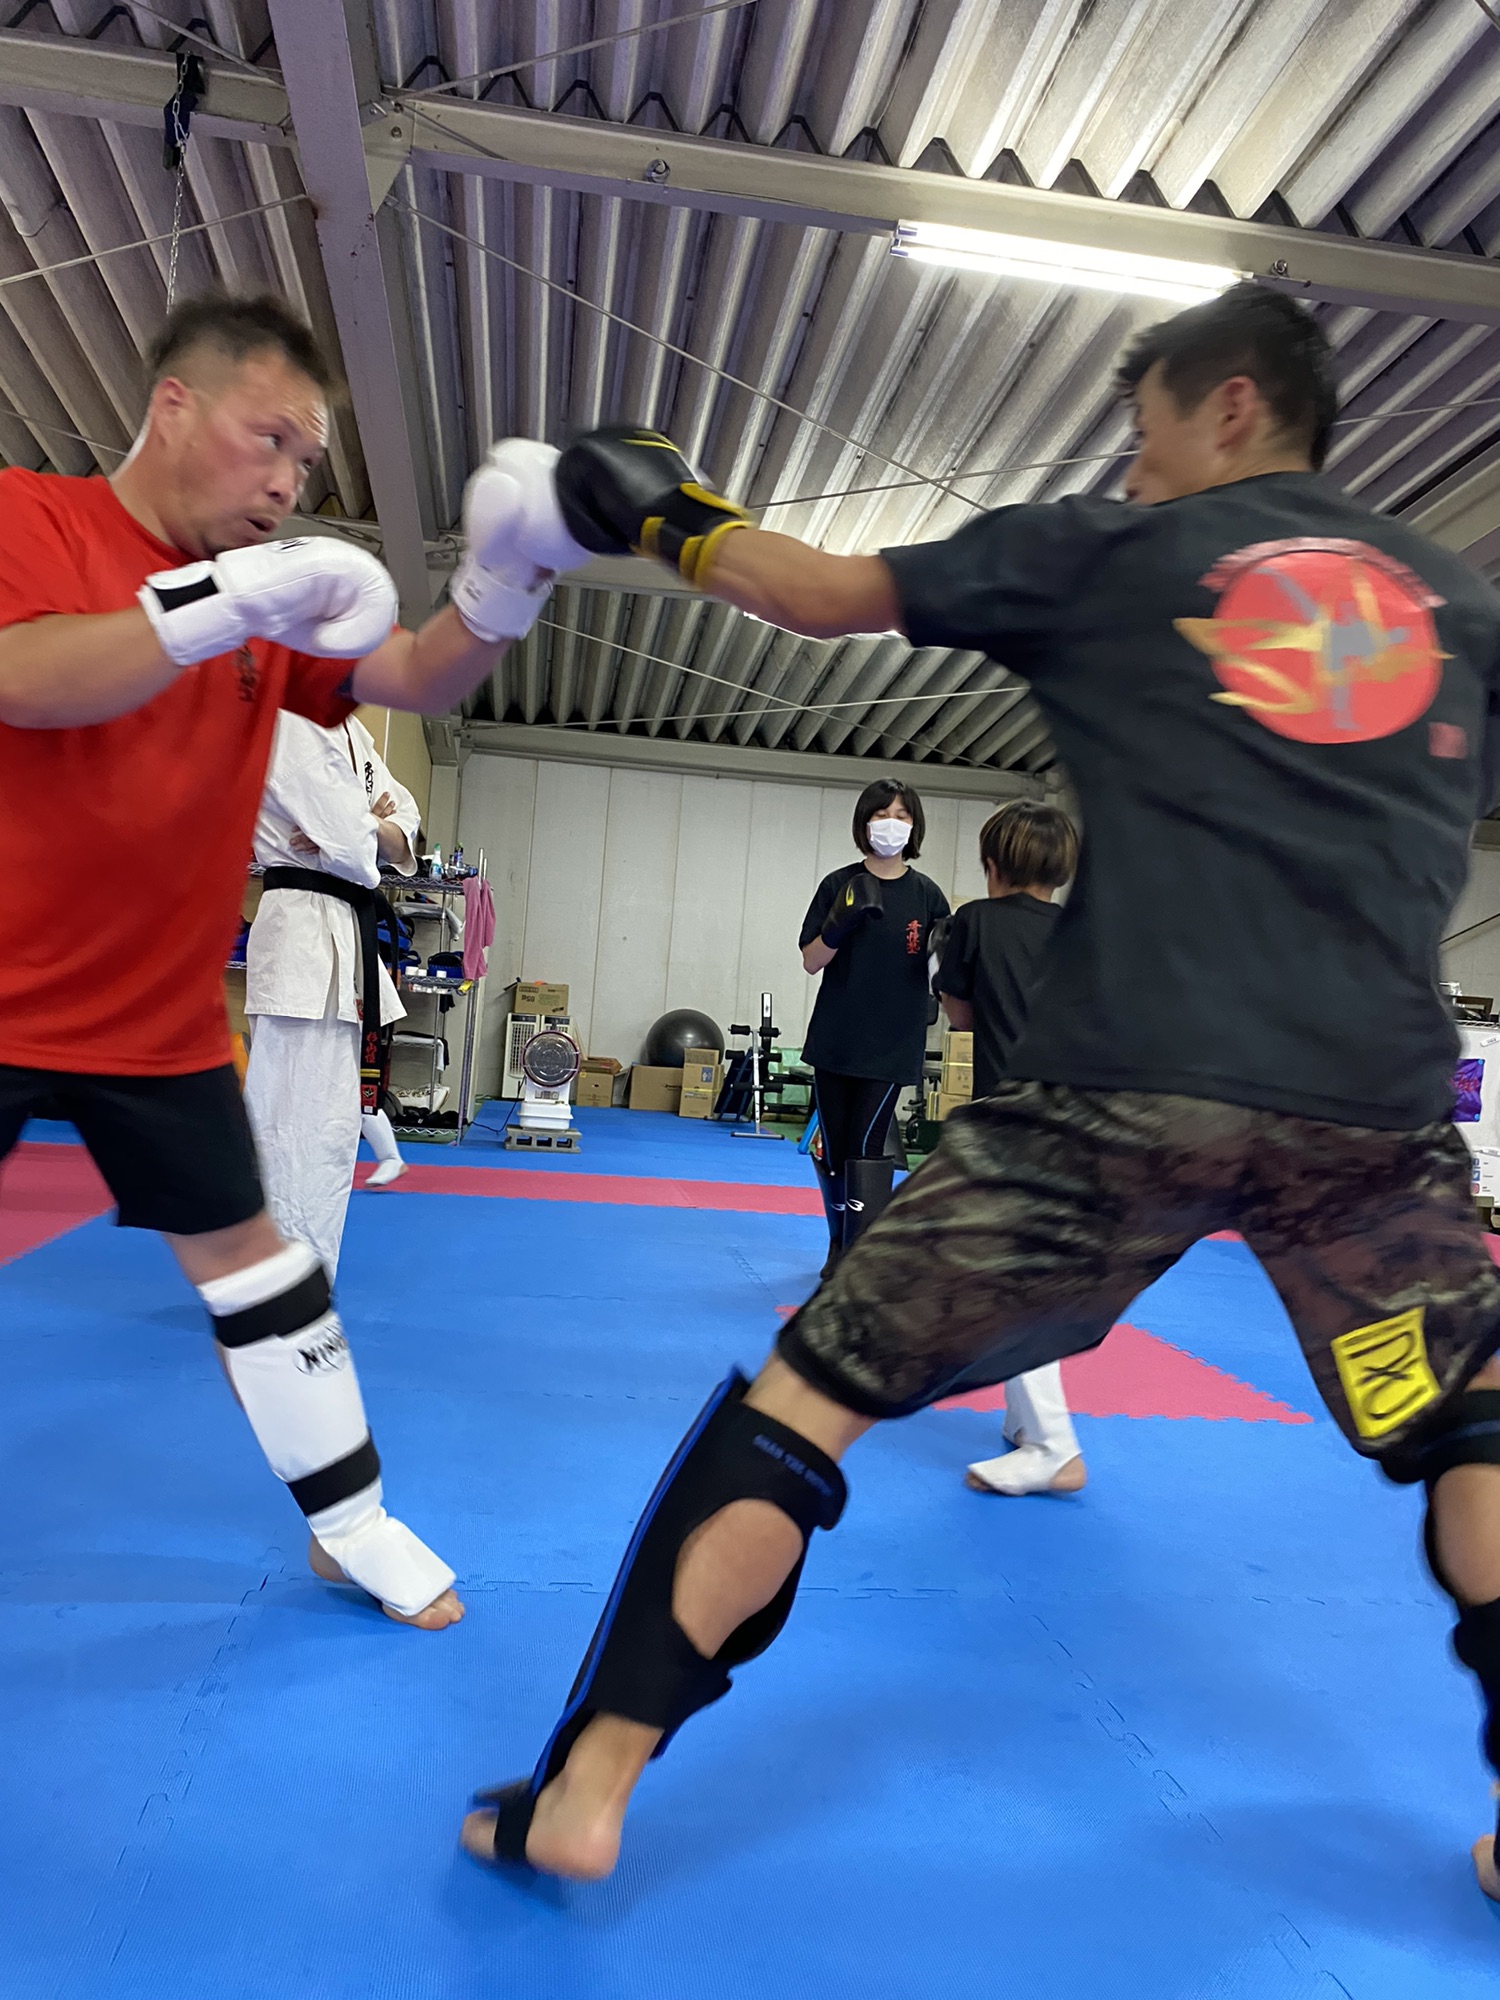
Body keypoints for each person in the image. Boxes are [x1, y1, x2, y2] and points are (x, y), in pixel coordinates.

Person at [462, 286, 1500, 1906]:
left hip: (1117, 1099)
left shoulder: (1111, 550)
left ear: (1230, 405)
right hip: (1368, 1112)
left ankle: (585, 1791)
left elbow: (809, 594)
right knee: (1472, 1426)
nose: (1134, 468)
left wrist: (658, 509)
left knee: (807, 1400)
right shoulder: (1459, 606)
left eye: (1146, 431)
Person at [0, 291, 591, 1632]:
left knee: (261, 1271)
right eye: (269, 440)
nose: (288, 482)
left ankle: (353, 1525)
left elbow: (420, 674)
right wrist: (216, 603)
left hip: (152, 1023)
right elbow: (28, 676)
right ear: (175, 407)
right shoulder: (34, 516)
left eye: (307, 463)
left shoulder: (266, 613)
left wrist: (511, 577)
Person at [935, 800, 1085, 1498]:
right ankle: (1026, 1421)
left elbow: (960, 1015)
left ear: (991, 865)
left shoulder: (975, 923)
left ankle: (1054, 1445)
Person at [244, 709, 419, 1276]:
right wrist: (366, 832)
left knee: (333, 1132)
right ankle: (279, 1278)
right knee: (287, 1126)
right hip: (302, 934)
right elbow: (351, 845)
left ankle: (310, 1274)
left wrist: (367, 831)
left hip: (345, 934)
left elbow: (405, 824)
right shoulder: (291, 721)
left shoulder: (355, 734)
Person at [800, 780, 949, 1277]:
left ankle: (857, 1253)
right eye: (882, 813)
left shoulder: (927, 895)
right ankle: (838, 1242)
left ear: (915, 826)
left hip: (892, 1042)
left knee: (867, 1145)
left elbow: (943, 972)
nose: (892, 823)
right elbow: (811, 961)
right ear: (864, 822)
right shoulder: (838, 884)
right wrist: (838, 925)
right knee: (836, 1149)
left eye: (902, 815)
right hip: (836, 1037)